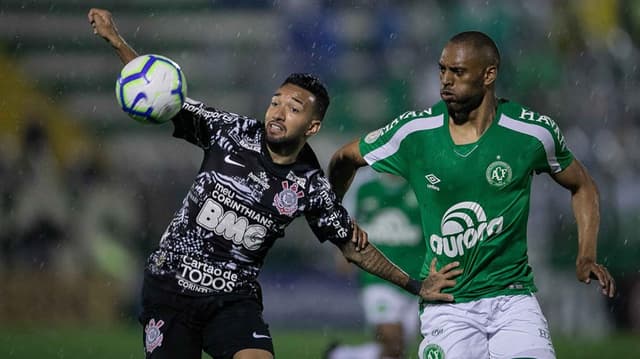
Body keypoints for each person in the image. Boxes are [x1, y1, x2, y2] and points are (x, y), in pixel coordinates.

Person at [87, 8, 462, 359]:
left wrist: (415, 284)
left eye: (294, 108)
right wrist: (117, 40)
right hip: (172, 288)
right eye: (275, 102)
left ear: (312, 127)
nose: (278, 112)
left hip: (233, 300)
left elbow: (353, 247)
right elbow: (163, 94)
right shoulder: (228, 131)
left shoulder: (311, 185)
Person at [328, 31, 616, 359]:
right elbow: (344, 158)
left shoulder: (531, 132)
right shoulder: (415, 132)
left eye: (458, 72)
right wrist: (333, 214)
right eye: (442, 70)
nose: (445, 81)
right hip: (449, 303)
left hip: (513, 299)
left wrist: (586, 256)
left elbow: (583, 186)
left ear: (489, 74)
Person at [328, 170, 424, 359]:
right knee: (393, 340)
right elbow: (345, 218)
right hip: (377, 278)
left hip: (416, 279)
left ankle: (343, 355)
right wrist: (341, 250)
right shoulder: (363, 185)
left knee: (397, 351)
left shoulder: (419, 184)